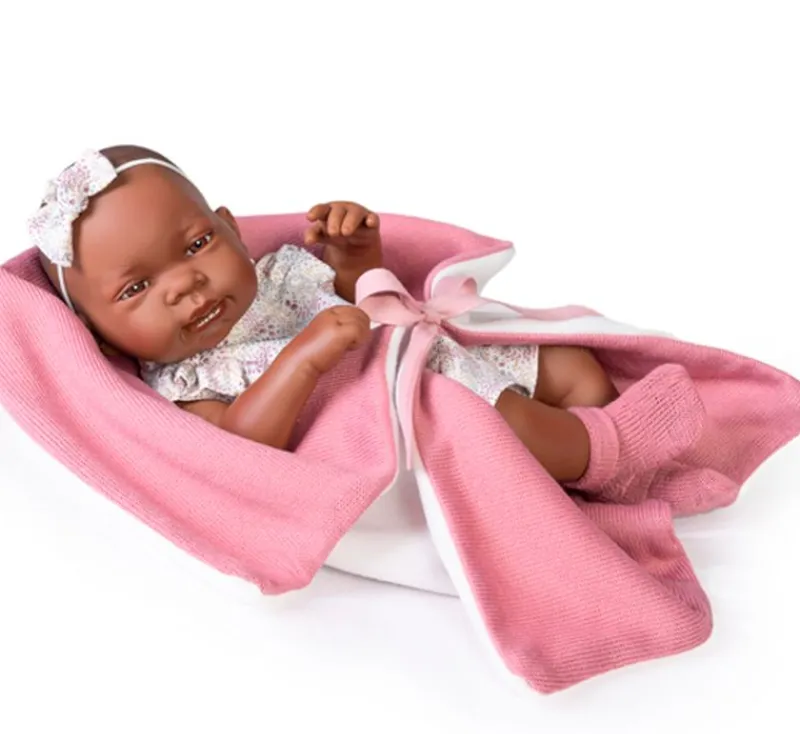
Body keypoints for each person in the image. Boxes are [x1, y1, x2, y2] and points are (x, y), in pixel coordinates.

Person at [27, 145, 707, 500]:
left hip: (432, 350)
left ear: (230, 229)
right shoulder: (188, 381)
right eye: (137, 288)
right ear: (98, 334)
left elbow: (361, 300)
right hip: (411, 415)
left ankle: (593, 435)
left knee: (566, 366)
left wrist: (357, 258)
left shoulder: (278, 273)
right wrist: (303, 360)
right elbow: (243, 447)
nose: (185, 284)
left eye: (198, 244)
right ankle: (609, 457)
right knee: (504, 426)